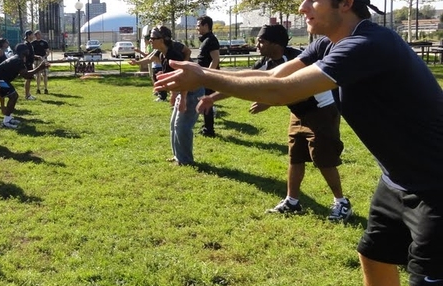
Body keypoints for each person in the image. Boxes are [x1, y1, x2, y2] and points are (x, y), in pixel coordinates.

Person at [154, 0, 443, 286]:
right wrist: (209, 84)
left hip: (436, 185)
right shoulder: (330, 42)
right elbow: (273, 75)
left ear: (345, 3)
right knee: (375, 256)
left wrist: (202, 75)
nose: (303, 8)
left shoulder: (369, 44)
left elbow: (282, 91)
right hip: (397, 178)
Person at [197, 23, 349, 221]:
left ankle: (341, 202)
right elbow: (243, 83)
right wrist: (211, 98)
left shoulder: (297, 59)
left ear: (275, 44)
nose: (257, 45)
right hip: (298, 112)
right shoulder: (267, 62)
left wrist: (268, 102)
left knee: (323, 159)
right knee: (295, 157)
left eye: (261, 41)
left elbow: (301, 92)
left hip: (321, 111)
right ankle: (292, 201)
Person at [132, 25, 199, 164]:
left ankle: (185, 160)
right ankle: (178, 157)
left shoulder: (173, 55)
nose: (150, 40)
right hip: (183, 90)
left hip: (192, 90)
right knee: (174, 125)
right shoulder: (162, 52)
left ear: (162, 40)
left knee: (182, 127)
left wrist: (181, 98)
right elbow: (151, 59)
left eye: (152, 38)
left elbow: (185, 78)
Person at [0, 47, 49, 129]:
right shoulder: (17, 60)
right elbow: (26, 75)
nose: (28, 51)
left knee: (9, 94)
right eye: (26, 49)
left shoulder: (18, 58)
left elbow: (24, 73)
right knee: (13, 96)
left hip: (0, 78)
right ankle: (6, 121)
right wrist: (39, 68)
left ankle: (8, 118)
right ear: (22, 51)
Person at [195, 15, 220, 137]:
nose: (197, 28)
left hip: (208, 78)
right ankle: (207, 127)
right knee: (204, 102)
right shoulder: (206, 40)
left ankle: (209, 130)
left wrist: (208, 76)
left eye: (198, 25)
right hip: (203, 77)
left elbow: (215, 60)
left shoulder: (211, 40)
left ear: (206, 26)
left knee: (207, 102)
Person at [15, 30, 36, 100]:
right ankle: (27, 95)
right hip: (27, 64)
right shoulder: (26, 44)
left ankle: (28, 94)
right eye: (32, 35)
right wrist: (25, 64)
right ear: (28, 35)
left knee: (29, 79)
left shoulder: (30, 44)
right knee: (28, 79)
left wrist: (36, 57)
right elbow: (25, 55)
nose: (33, 36)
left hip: (30, 63)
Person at [31, 29, 50, 95]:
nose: (38, 35)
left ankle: (46, 88)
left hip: (44, 60)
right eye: (37, 34)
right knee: (38, 75)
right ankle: (38, 89)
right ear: (35, 35)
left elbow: (47, 51)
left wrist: (44, 57)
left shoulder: (44, 42)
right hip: (36, 61)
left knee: (45, 75)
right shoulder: (33, 43)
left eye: (39, 34)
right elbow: (31, 53)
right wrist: (37, 57)